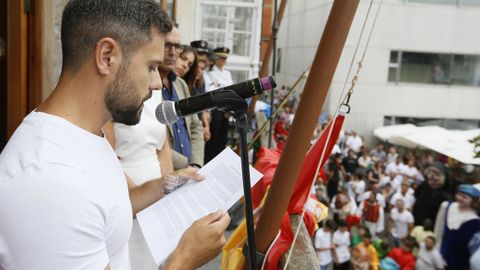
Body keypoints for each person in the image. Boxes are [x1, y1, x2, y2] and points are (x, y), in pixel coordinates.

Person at [0, 1, 230, 269]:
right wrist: (184, 259)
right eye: (151, 66)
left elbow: (111, 207)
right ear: (107, 56)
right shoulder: (49, 178)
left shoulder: (88, 133)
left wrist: (165, 185)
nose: (157, 84)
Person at [159, 27, 205, 170]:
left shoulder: (181, 85)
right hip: (164, 171)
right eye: (167, 45)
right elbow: (151, 140)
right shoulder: (146, 84)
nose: (173, 52)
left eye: (177, 46)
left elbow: (195, 126)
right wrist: (186, 165)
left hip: (189, 172)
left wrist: (196, 164)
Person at [434, 184, 480, 270]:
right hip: (441, 255)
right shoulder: (446, 206)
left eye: (464, 197)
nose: (460, 198)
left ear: (473, 200)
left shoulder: (476, 221)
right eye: (459, 195)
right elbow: (438, 231)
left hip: (460, 262)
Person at [203, 47, 234, 163]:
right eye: (221, 58)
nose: (224, 60)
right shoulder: (207, 73)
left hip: (225, 111)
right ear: (215, 58)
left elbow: (231, 91)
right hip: (214, 109)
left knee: (222, 141)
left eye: (225, 58)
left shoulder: (227, 73)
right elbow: (208, 90)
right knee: (212, 141)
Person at [413, 162, 451, 226]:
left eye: (435, 180)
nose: (431, 181)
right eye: (429, 179)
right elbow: (416, 196)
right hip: (415, 220)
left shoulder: (445, 196)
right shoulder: (424, 185)